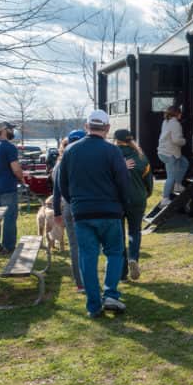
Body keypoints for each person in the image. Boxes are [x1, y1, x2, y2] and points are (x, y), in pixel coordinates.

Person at [55, 111, 130, 317]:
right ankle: (111, 294)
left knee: (87, 257)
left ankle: (93, 305)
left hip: (82, 212)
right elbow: (123, 181)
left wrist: (76, 203)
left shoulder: (70, 151)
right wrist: (124, 205)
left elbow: (62, 184)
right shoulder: (112, 151)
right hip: (110, 211)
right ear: (106, 128)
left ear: (87, 126)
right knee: (114, 253)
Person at [114, 129, 153, 281]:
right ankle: (133, 258)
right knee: (134, 232)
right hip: (137, 199)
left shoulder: (111, 154)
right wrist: (146, 194)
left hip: (116, 201)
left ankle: (122, 273)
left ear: (116, 140)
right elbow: (148, 181)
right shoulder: (141, 156)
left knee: (118, 236)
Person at [52, 130, 86, 291]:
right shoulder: (81, 161)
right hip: (80, 207)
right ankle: (85, 280)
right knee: (84, 246)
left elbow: (56, 190)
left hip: (68, 207)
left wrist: (58, 212)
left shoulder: (60, 163)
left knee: (75, 246)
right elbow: (57, 190)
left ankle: (81, 283)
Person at [0, 121, 25, 254]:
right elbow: (15, 168)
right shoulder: (10, 147)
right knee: (9, 218)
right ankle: (8, 247)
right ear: (4, 130)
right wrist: (22, 178)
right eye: (11, 129)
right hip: (7, 187)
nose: (13, 132)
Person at [155, 105, 188, 212]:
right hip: (169, 153)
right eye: (180, 113)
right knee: (171, 177)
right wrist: (184, 141)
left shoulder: (166, 122)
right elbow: (176, 140)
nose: (181, 115)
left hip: (165, 152)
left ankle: (177, 185)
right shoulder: (175, 124)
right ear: (177, 114)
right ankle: (165, 198)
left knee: (184, 163)